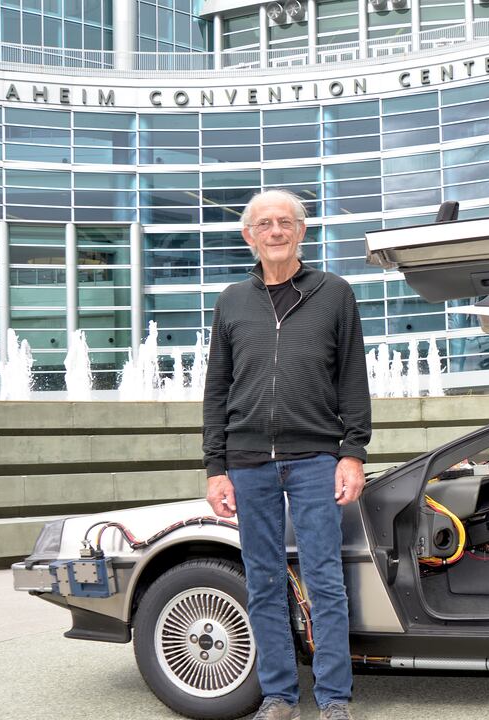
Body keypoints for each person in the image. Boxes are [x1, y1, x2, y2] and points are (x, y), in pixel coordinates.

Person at [203, 189, 370, 720]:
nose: (275, 231)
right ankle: (278, 696)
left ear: (301, 231)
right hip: (248, 462)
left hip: (317, 459)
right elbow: (217, 388)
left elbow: (352, 378)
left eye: (285, 223)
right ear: (248, 236)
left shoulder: (334, 293)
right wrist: (215, 467)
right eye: (264, 224)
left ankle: (334, 699)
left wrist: (352, 452)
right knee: (264, 580)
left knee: (324, 578)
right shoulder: (232, 300)